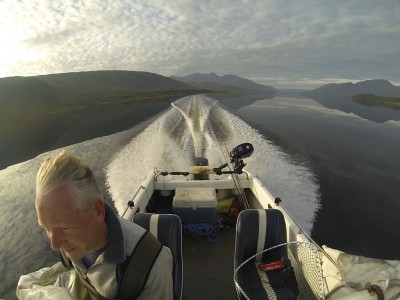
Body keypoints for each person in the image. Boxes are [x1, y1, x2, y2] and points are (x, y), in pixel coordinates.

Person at [28, 150, 173, 299]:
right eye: (46, 228)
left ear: (97, 211)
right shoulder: (69, 242)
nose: (55, 245)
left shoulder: (151, 267)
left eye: (65, 227)